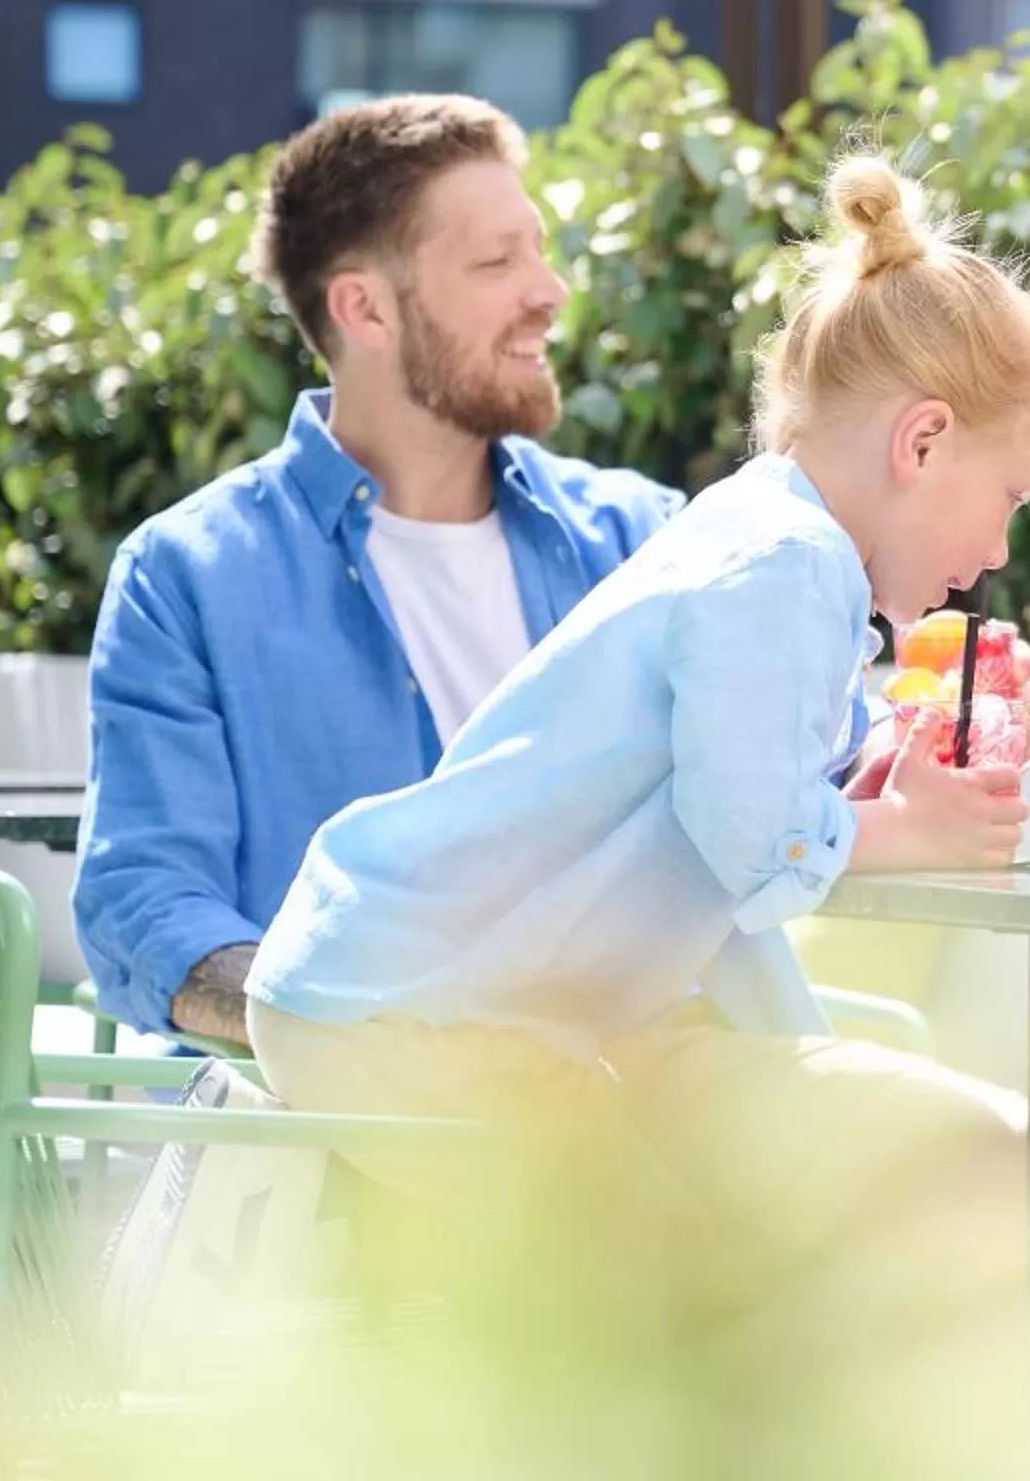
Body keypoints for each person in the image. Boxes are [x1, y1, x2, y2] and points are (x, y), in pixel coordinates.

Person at [239, 156, 1030, 1424]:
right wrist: (902, 830)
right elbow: (746, 840)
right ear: (921, 438)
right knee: (656, 1269)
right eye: (1011, 498)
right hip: (401, 999)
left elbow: (727, 798)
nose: (1001, 549)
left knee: (688, 1263)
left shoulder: (761, 532)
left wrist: (853, 798)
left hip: (410, 975)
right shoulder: (781, 566)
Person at [75, 95, 678, 1044]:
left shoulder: (641, 542)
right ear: (364, 309)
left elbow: (810, 756)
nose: (550, 291)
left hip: (649, 1085)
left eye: (537, 248)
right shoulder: (187, 578)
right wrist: (375, 1039)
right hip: (349, 1140)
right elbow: (147, 908)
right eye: (496, 262)